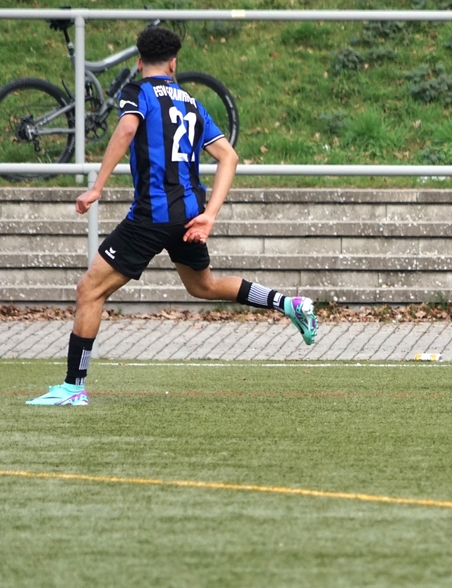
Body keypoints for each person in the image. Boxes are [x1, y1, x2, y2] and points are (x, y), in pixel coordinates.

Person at [27, 26, 317, 406]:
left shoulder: (138, 92)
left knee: (89, 290)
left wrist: (97, 186)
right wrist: (210, 215)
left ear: (139, 62)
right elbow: (229, 157)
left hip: (152, 216)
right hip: (189, 215)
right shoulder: (192, 103)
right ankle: (289, 304)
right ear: (174, 63)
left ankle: (73, 387)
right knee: (204, 286)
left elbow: (126, 130)